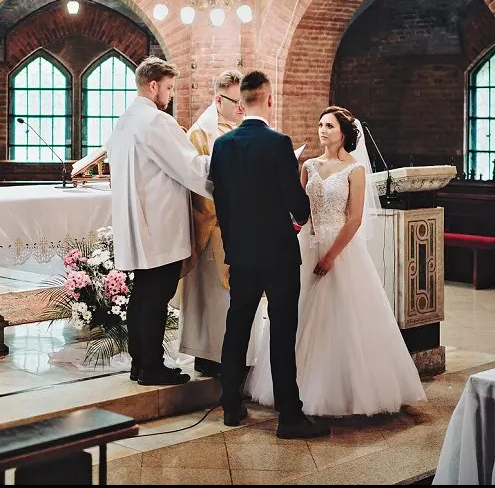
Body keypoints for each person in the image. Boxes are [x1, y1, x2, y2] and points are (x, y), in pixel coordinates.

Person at [246, 106, 426, 416]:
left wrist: (330, 256)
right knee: (294, 315)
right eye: (320, 124)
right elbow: (298, 209)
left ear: (343, 133)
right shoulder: (309, 166)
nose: (322, 130)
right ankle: (292, 385)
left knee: (342, 319)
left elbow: (354, 219)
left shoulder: (355, 170)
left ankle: (345, 391)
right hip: (305, 245)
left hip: (340, 250)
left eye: (329, 125)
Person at [210, 71, 329, 438]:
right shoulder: (279, 144)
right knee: (282, 330)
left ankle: (231, 406)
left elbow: (221, 201)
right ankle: (289, 416)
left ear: (242, 103)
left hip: (242, 253)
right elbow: (296, 201)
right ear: (270, 99)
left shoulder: (223, 144)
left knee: (237, 326)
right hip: (278, 253)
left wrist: (233, 244)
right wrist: (302, 211)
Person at [107, 57, 212, 386]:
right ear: (153, 85)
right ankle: (151, 366)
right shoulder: (156, 122)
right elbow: (191, 167)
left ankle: (140, 363)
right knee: (156, 294)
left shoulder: (124, 121)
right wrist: (229, 168)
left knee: (142, 294)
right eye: (168, 88)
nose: (169, 95)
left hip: (137, 221)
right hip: (159, 223)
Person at [179, 70, 262, 378]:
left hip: (244, 225)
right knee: (215, 298)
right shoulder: (201, 133)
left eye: (245, 101)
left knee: (240, 298)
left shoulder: (245, 128)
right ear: (218, 100)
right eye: (237, 101)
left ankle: (241, 355)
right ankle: (210, 355)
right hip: (214, 225)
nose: (243, 107)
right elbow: (196, 183)